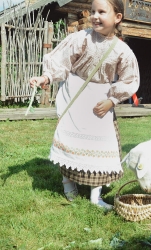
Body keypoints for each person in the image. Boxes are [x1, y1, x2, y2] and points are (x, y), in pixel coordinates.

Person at [29, 0, 139, 210]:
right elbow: (60, 62)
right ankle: (67, 181)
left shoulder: (122, 50)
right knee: (70, 141)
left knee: (101, 145)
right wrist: (45, 78)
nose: (95, 16)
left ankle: (95, 196)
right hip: (76, 97)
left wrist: (112, 100)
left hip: (100, 102)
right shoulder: (80, 39)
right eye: (93, 11)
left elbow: (130, 79)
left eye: (101, 12)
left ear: (117, 17)